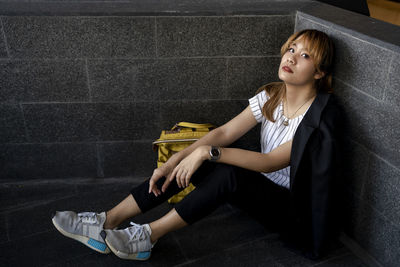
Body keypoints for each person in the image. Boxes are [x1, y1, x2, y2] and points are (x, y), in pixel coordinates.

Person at [52, 29, 343, 261]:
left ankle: (147, 237)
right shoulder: (272, 95)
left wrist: (208, 153)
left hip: (289, 206)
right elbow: (225, 132)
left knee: (224, 168)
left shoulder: (317, 115)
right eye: (292, 49)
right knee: (195, 156)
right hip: (258, 188)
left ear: (319, 72)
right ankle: (108, 219)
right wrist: (172, 162)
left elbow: (272, 162)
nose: (291, 58)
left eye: (305, 55)